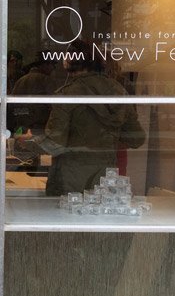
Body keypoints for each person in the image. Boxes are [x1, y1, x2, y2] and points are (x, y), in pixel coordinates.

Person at [24, 44, 145, 196]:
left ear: (69, 62)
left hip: (70, 182)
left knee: (67, 217)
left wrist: (26, 142)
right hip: (105, 179)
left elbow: (54, 144)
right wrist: (105, 138)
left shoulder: (68, 94)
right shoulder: (119, 91)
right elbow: (137, 139)